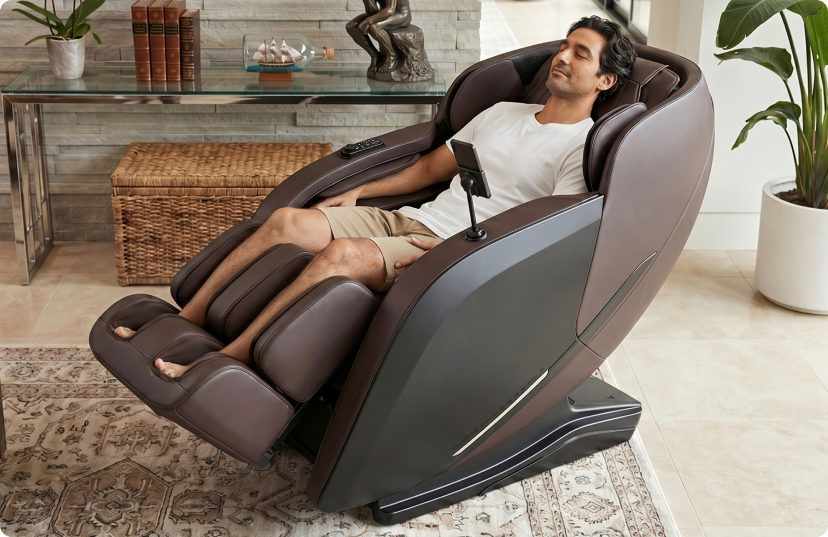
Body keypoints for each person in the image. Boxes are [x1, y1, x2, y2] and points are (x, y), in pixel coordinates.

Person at [115, 15, 637, 378]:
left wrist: (460, 253)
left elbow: (548, 230)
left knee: (342, 255)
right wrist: (360, 191)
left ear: (606, 79)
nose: (561, 57)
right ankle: (188, 317)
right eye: (564, 46)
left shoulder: (581, 146)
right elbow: (429, 168)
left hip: (452, 248)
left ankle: (233, 358)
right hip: (414, 219)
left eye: (580, 54)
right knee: (288, 222)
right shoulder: (503, 113)